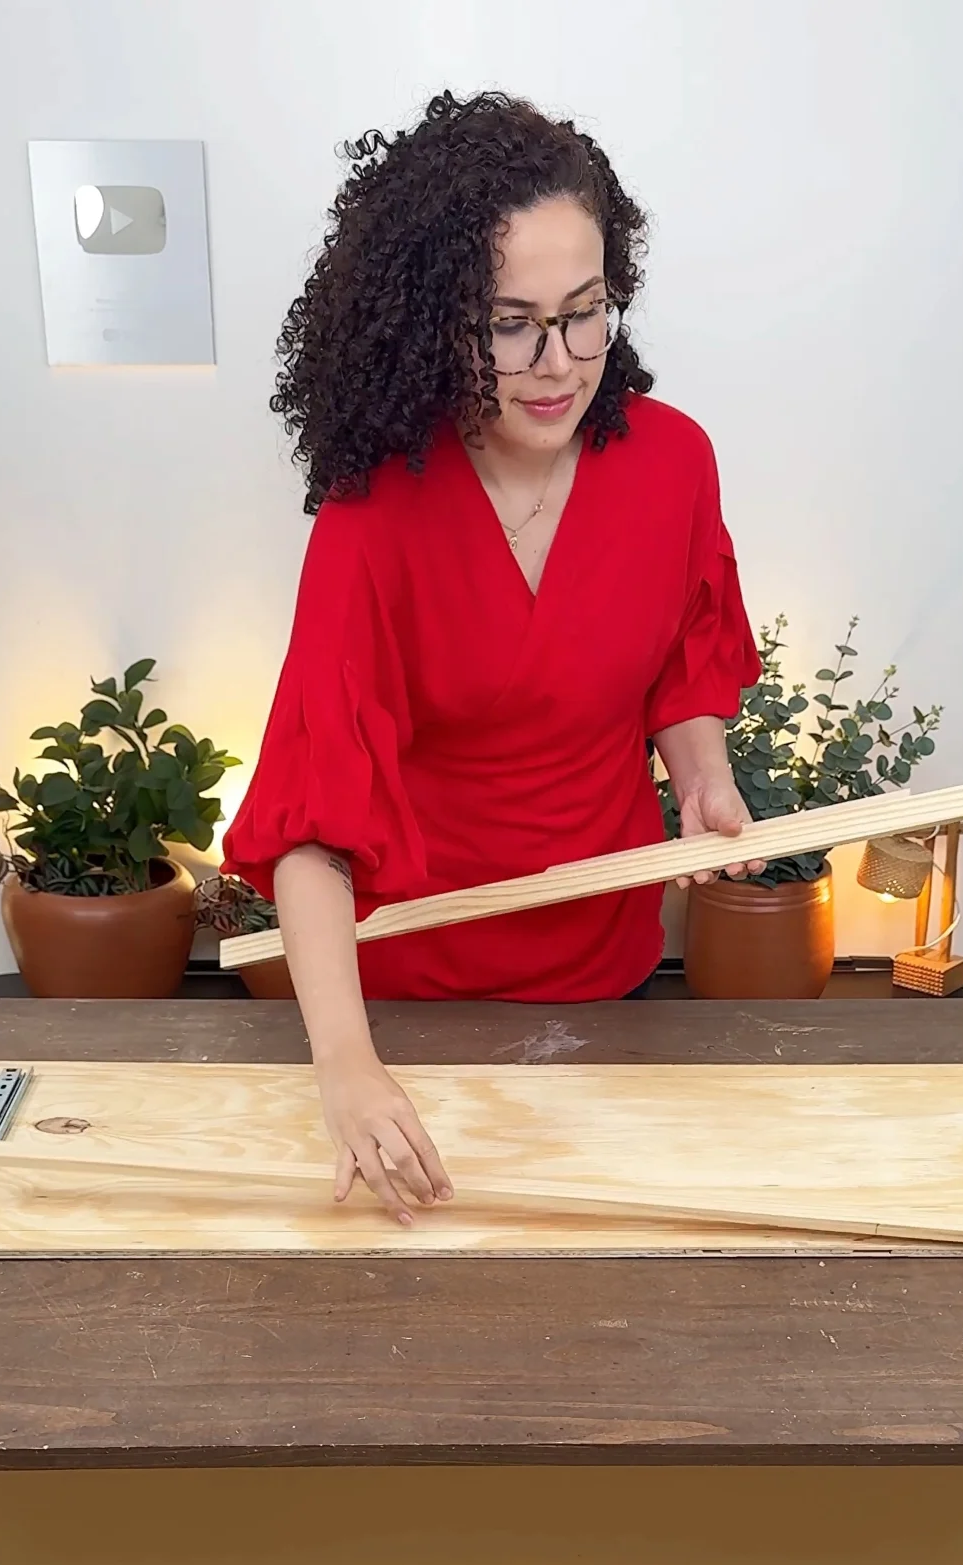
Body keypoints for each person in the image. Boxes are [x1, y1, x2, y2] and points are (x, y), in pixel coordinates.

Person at [222, 90, 763, 1225]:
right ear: (435, 320)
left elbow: (679, 665)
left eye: (584, 312)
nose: (558, 363)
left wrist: (702, 775)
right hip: (414, 989)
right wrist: (347, 1065)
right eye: (509, 324)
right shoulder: (375, 514)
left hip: (607, 963)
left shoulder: (673, 462)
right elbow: (312, 829)